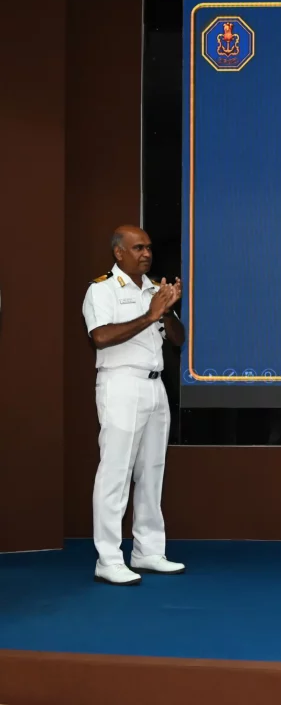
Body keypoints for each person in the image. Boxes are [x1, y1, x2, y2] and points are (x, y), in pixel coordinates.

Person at [81, 225, 186, 586]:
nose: (146, 253)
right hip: (121, 385)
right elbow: (101, 337)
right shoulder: (101, 289)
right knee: (116, 473)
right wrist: (150, 315)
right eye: (138, 248)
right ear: (118, 253)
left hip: (155, 388)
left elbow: (178, 339)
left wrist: (168, 309)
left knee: (152, 471)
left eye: (149, 248)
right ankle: (108, 558)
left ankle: (148, 550)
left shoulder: (154, 289)